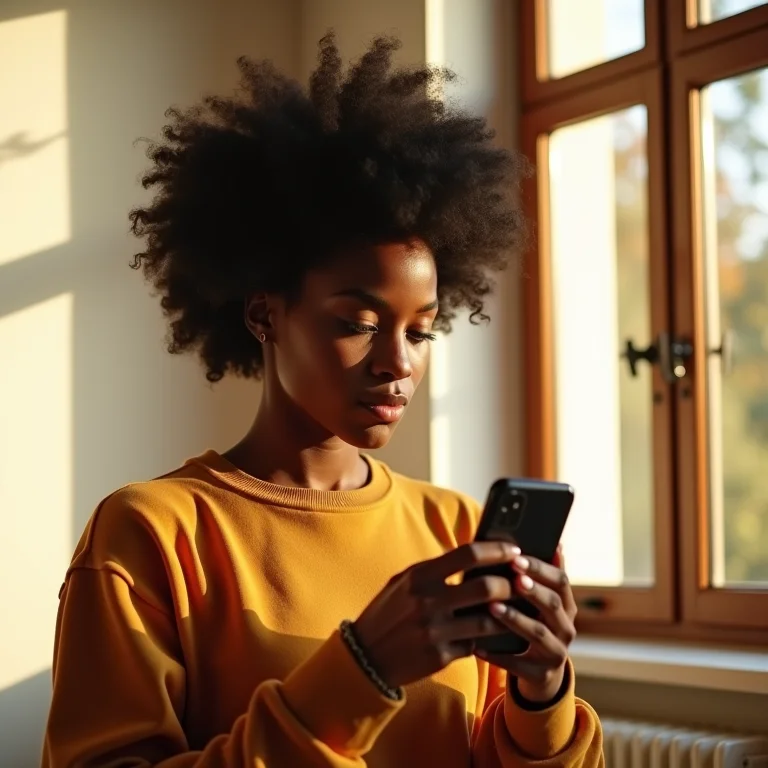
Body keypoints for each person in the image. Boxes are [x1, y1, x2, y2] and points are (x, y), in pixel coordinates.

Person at [43, 34, 603, 768]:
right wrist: (363, 671)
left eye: (422, 330)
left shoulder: (455, 528)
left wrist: (542, 691)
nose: (398, 364)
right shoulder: (149, 536)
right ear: (264, 314)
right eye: (357, 325)